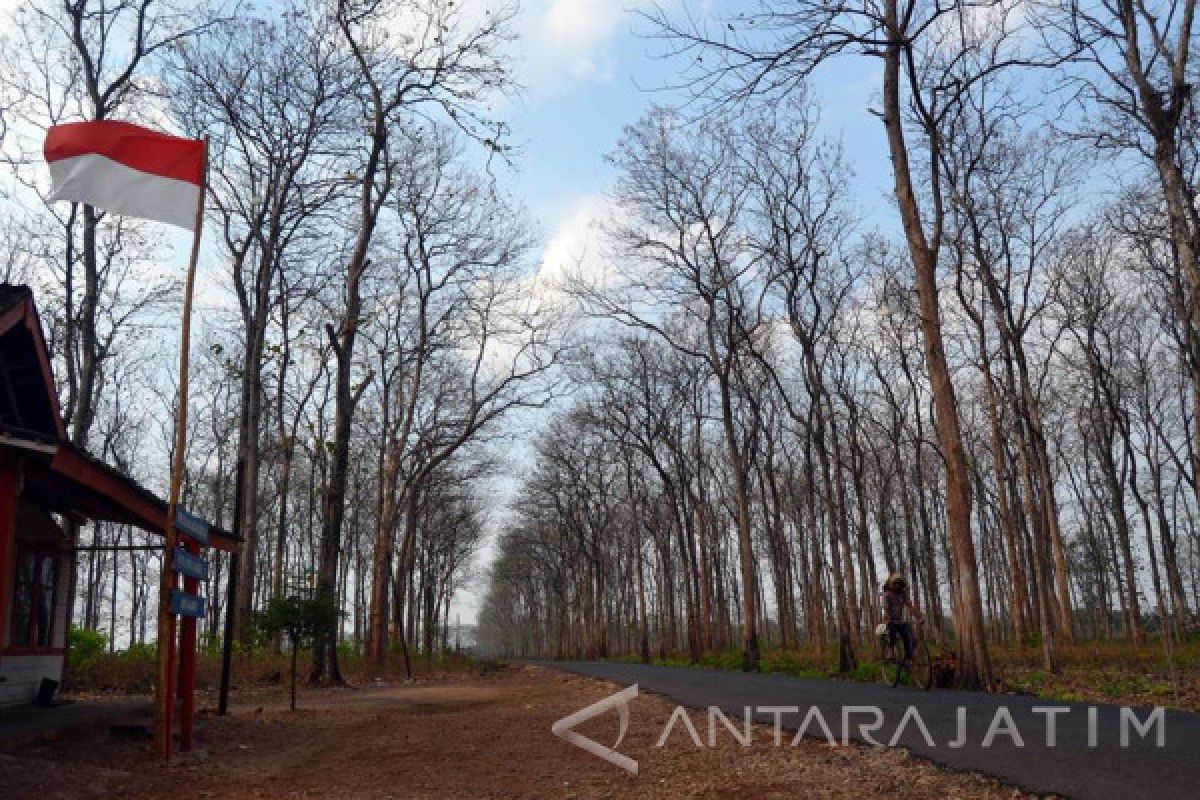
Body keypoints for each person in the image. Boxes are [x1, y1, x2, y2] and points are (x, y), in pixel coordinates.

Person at [882, 573, 923, 663]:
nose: (897, 585)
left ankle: (909, 655)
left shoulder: (903, 594)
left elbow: (910, 606)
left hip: (900, 620)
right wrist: (889, 620)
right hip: (889, 620)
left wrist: (919, 617)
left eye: (899, 584)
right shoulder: (887, 594)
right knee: (891, 631)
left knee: (909, 635)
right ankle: (891, 650)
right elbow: (886, 608)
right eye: (895, 583)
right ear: (891, 584)